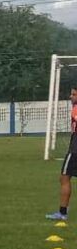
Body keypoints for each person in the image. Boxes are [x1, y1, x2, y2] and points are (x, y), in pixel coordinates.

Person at [47, 88, 77, 221]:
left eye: (74, 94)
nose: (71, 96)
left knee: (64, 178)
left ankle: (62, 213)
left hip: (75, 150)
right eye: (71, 94)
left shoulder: (76, 109)